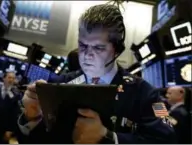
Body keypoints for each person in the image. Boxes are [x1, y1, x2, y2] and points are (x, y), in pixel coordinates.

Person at [16, 2, 176, 144]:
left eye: (98, 48)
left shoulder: (147, 94)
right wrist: (32, 117)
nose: (87, 55)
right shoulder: (60, 84)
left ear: (117, 51)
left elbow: (168, 139)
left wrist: (109, 138)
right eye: (83, 45)